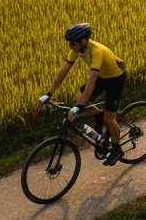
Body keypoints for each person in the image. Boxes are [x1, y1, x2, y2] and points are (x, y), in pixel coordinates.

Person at [39, 23, 126, 165]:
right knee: (79, 97)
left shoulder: (97, 51)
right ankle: (99, 117)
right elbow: (64, 71)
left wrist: (81, 106)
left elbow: (91, 79)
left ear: (83, 41)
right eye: (69, 42)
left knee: (110, 117)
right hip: (103, 77)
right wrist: (49, 93)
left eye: (72, 43)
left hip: (115, 78)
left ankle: (117, 149)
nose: (70, 45)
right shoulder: (77, 49)